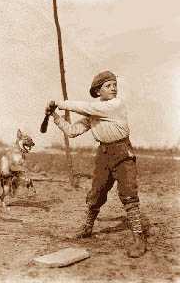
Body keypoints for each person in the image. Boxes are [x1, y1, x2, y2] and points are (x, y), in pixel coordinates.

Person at [45, 71, 148, 258]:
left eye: (115, 85)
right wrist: (55, 116)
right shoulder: (95, 112)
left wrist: (60, 104)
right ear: (98, 91)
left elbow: (86, 108)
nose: (114, 88)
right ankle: (87, 228)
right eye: (108, 86)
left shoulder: (115, 105)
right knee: (96, 193)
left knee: (128, 194)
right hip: (103, 154)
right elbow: (72, 131)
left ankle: (138, 238)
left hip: (123, 153)